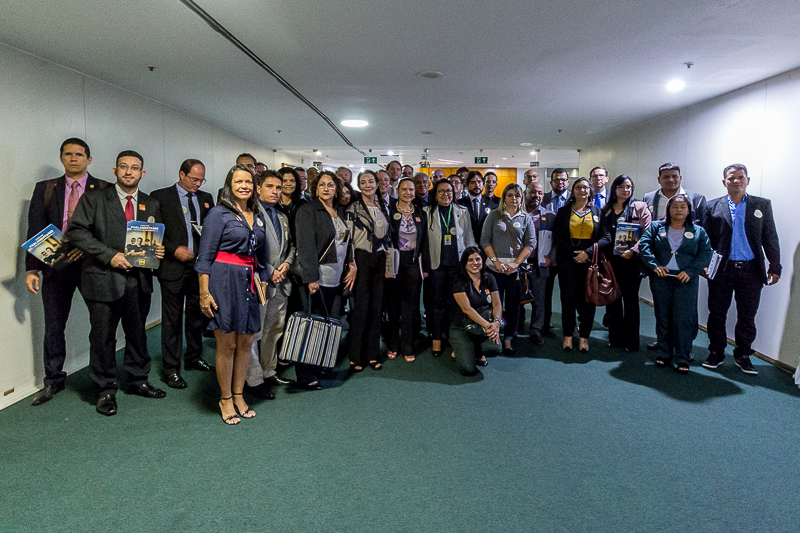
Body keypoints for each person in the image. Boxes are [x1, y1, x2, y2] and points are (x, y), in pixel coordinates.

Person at [66, 150, 166, 416]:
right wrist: (109, 256)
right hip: (103, 279)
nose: (129, 172)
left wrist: (158, 251)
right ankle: (104, 389)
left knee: (137, 334)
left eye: (134, 168)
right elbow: (76, 231)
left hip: (139, 280)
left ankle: (138, 379)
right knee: (102, 337)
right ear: (115, 171)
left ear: (142, 173)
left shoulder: (150, 203)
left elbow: (152, 239)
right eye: (123, 167)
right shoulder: (95, 198)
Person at [25, 138, 109, 405]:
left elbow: (109, 229)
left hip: (92, 264)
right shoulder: (46, 189)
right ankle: (53, 381)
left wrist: (88, 249)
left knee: (101, 325)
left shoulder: (104, 189)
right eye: (68, 154)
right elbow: (35, 229)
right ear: (62, 158)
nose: (74, 158)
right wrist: (31, 270)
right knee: (53, 326)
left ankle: (102, 384)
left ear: (89, 159)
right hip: (55, 267)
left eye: (79, 154)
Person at [196, 164, 268, 424]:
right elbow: (204, 257)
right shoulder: (218, 214)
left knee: (247, 342)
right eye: (238, 181)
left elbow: (261, 254)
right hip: (223, 280)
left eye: (248, 181)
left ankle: (239, 394)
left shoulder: (257, 214)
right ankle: (225, 398)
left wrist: (265, 281)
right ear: (230, 184)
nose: (244, 186)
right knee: (227, 343)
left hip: (249, 281)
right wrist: (204, 293)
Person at [701, 164, 781, 375]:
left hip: (751, 271)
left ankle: (743, 354)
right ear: (724, 182)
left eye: (740, 177)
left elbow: (770, 237)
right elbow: (705, 240)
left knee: (747, 316)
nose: (736, 181)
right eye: (731, 178)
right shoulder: (712, 206)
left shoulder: (761, 205)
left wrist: (775, 266)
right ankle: (716, 351)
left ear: (747, 180)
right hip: (721, 270)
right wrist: (704, 265)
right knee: (717, 313)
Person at [151, 159, 216, 390]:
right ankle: (171, 369)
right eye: (193, 179)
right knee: (172, 320)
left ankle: (194, 357)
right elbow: (154, 231)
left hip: (198, 268)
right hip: (172, 268)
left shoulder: (206, 198)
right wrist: (173, 250)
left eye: (201, 180)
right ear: (181, 174)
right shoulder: (160, 196)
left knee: (197, 317)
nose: (197, 184)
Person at [296, 171, 357, 389]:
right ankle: (305, 374)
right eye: (322, 185)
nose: (326, 188)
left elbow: (345, 242)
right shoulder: (308, 211)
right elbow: (305, 247)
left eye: (330, 185)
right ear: (315, 188)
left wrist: (352, 263)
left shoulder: (338, 211)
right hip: (318, 278)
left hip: (336, 278)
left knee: (329, 323)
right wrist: (311, 278)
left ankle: (320, 361)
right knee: (313, 325)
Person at [639, 195, 712, 374]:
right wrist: (655, 266)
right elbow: (644, 246)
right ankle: (664, 353)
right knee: (663, 316)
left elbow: (706, 253)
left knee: (683, 319)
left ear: (688, 210)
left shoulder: (698, 231)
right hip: (662, 279)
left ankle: (682, 356)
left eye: (682, 207)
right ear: (668, 209)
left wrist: (691, 271)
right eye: (675, 206)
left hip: (685, 280)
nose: (678, 210)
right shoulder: (656, 227)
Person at [244, 171, 296, 399]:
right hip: (260, 282)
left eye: (278, 187)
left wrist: (286, 264)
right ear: (258, 188)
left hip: (281, 282)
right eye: (270, 187)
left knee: (274, 330)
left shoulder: (282, 215)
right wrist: (269, 270)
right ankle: (253, 380)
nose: (275, 191)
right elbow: (247, 248)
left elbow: (291, 246)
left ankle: (268, 370)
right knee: (255, 333)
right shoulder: (250, 213)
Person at [552, 178, 611, 352]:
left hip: (590, 263)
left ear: (590, 190)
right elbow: (557, 237)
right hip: (567, 263)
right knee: (568, 299)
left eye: (586, 187)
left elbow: (606, 237)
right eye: (578, 187)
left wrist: (588, 253)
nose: (582, 191)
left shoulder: (598, 212)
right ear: (573, 190)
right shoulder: (563, 212)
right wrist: (574, 254)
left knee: (588, 301)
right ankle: (568, 336)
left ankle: (584, 337)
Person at [480, 183, 535, 355]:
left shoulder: (526, 218)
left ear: (521, 198)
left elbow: (531, 243)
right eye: (510, 195)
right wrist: (495, 262)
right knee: (493, 303)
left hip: (514, 271)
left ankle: (509, 338)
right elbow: (485, 240)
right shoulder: (494, 215)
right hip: (494, 269)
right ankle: (492, 335)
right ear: (504, 197)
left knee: (512, 305)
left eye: (517, 196)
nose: (514, 199)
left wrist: (515, 264)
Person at [346, 171, 392, 371]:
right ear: (358, 185)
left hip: (380, 259)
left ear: (377, 183)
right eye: (362, 182)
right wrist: (351, 263)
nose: (367, 185)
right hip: (361, 259)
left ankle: (373, 354)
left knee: (376, 308)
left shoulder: (383, 206)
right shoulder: (353, 208)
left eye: (370, 181)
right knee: (361, 309)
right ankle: (356, 356)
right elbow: (347, 239)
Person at [601, 175, 652, 352]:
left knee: (630, 301)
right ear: (615, 188)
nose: (626, 190)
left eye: (629, 186)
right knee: (613, 300)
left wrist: (633, 251)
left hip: (631, 263)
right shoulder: (606, 209)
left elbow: (647, 233)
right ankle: (615, 338)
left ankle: (631, 341)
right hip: (611, 262)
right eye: (622, 186)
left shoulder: (640, 207)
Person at [425, 179, 475, 356]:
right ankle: (437, 338)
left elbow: (469, 238)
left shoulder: (463, 211)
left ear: (454, 193)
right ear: (435, 194)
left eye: (449, 191)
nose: (445, 195)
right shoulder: (427, 212)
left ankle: (454, 339)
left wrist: (471, 264)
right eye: (441, 191)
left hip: (457, 265)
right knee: (437, 303)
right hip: (437, 265)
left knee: (455, 304)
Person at [386, 177, 431, 362]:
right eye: (404, 189)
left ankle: (407, 345)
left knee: (410, 306)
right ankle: (393, 344)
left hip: (413, 263)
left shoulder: (421, 213)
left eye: (411, 189)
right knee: (393, 306)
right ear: (397, 191)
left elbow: (425, 242)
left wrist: (426, 267)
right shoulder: (389, 212)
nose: (408, 193)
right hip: (393, 263)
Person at [450, 247, 503, 375]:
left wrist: (496, 323)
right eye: (470, 260)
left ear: (483, 261)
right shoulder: (459, 282)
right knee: (468, 369)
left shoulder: (489, 278)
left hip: (483, 326)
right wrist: (488, 325)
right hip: (462, 327)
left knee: (496, 348)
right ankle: (458, 345)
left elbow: (497, 304)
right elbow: (466, 309)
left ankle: (476, 350)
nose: (475, 263)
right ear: (464, 263)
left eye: (478, 259)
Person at [520, 182, 555, 345]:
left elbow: (557, 241)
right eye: (533, 192)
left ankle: (536, 330)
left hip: (540, 264)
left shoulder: (550, 216)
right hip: (518, 263)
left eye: (540, 193)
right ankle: (516, 326)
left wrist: (551, 257)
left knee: (539, 299)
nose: (537, 196)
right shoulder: (516, 213)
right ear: (525, 192)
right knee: (516, 296)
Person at [542, 168, 571, 333]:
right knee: (546, 291)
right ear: (551, 182)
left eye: (563, 180)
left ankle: (570, 325)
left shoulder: (575, 200)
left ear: (567, 182)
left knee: (568, 292)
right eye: (556, 180)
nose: (560, 182)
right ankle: (545, 323)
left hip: (567, 253)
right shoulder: (543, 198)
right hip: (546, 253)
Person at [458, 170, 497, 241]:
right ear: (467, 185)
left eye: (479, 182)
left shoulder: (492, 205)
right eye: (473, 182)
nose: (477, 185)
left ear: (483, 184)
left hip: (485, 245)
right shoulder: (459, 204)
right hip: (464, 243)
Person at [276, 166, 307, 244]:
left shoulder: (304, 205)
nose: (288, 184)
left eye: (292, 181)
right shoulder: (273, 205)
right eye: (284, 181)